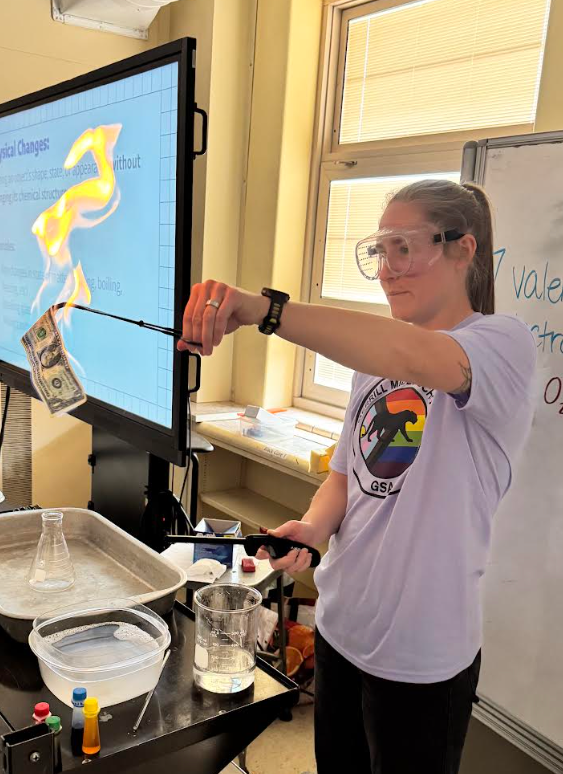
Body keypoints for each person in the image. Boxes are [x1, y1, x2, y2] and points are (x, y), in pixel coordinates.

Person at [177, 179, 537, 774]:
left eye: (404, 248)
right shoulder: (372, 365)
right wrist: (313, 527)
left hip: (421, 654)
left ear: (463, 249)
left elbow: (411, 355)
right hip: (342, 625)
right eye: (379, 251)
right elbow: (346, 477)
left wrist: (266, 310)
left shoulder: (501, 345)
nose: (388, 270)